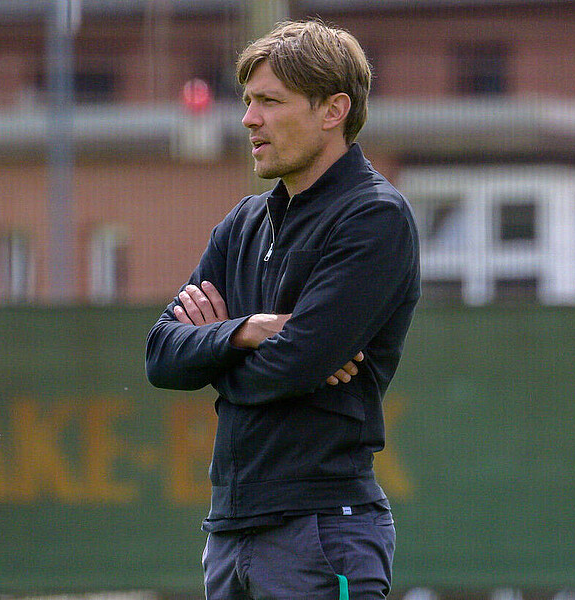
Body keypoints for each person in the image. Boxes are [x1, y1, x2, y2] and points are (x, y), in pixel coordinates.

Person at [146, 19, 420, 600]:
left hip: (324, 532)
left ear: (333, 110)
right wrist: (245, 332)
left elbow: (295, 363)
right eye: (248, 102)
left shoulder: (374, 217)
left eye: (269, 101)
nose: (249, 119)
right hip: (229, 535)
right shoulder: (243, 221)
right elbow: (161, 357)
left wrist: (218, 358)